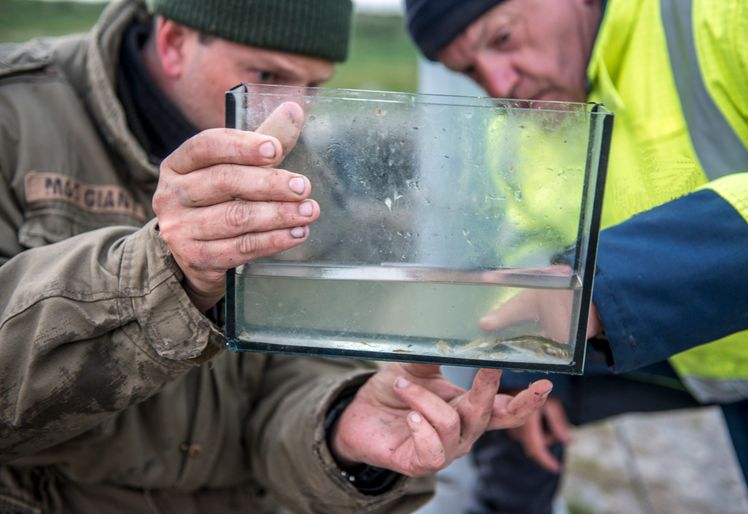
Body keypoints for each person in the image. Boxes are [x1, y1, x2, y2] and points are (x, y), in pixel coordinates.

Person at [0, 1, 555, 513]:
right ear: (172, 42)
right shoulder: (15, 116)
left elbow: (290, 382)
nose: (294, 112)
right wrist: (170, 272)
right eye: (266, 77)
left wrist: (341, 428)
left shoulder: (305, 174)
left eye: (315, 85)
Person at [404, 0, 748, 512]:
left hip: (726, 345)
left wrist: (598, 287)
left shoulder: (727, 13)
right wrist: (524, 358)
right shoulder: (518, 128)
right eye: (467, 70)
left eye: (503, 39)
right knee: (498, 381)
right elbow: (527, 245)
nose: (499, 83)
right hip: (727, 364)